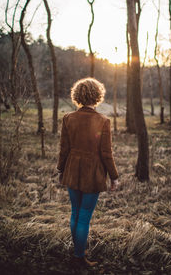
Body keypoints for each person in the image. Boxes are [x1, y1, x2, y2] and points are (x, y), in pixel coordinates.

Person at [57, 77, 119, 267]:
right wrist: (114, 177)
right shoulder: (103, 121)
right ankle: (79, 258)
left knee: (75, 214)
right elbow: (106, 153)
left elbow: (64, 149)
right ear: (97, 96)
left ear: (77, 95)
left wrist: (61, 170)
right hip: (93, 173)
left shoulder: (68, 118)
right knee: (84, 216)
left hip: (72, 170)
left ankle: (77, 254)